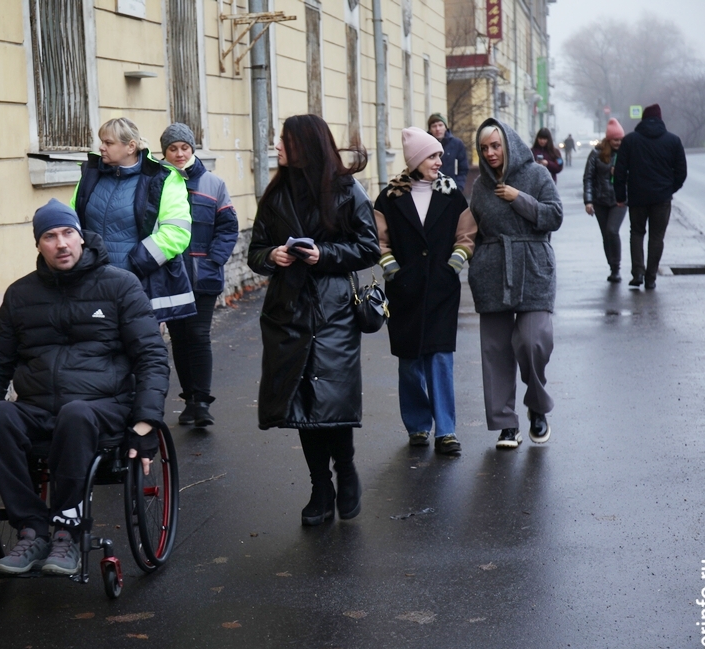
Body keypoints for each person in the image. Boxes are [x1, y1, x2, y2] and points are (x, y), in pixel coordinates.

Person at [0, 200, 169, 576]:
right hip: (38, 407)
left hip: (102, 407)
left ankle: (66, 533)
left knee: (75, 414)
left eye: (67, 233)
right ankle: (32, 529)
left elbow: (152, 359)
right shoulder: (20, 295)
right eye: (50, 236)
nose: (61, 243)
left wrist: (146, 424)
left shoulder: (120, 286)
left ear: (81, 237)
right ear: (38, 245)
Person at [247, 114, 380, 526]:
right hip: (288, 310)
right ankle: (320, 486)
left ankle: (347, 468)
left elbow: (368, 247)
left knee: (330, 398)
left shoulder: (345, 189)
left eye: (284, 140)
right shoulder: (275, 193)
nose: (277, 146)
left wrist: (326, 255)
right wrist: (273, 256)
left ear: (305, 143)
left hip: (334, 309)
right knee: (303, 400)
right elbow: (256, 250)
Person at [374, 128, 478, 455]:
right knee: (409, 361)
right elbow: (379, 239)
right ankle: (418, 425)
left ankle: (446, 431)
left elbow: (466, 235)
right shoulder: (389, 198)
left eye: (438, 155)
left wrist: (454, 266)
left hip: (442, 289)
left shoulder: (452, 195)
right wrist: (393, 270)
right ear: (417, 160)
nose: (439, 160)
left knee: (441, 358)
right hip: (404, 290)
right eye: (432, 155)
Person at [468, 119, 563, 449]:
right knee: (495, 351)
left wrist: (518, 198)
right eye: (484, 148)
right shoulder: (479, 186)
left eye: (496, 146)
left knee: (533, 340)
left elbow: (554, 216)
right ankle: (506, 423)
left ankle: (537, 406)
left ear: (509, 144)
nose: (490, 153)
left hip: (533, 267)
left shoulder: (537, 175)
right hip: (491, 270)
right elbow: (474, 229)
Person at [71, 117, 195, 322]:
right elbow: (73, 221)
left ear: (130, 147)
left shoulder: (163, 178)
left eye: (108, 143)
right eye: (101, 141)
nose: (101, 148)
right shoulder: (91, 174)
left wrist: (136, 263)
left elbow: (177, 232)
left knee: (138, 347)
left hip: (138, 284)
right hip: (91, 281)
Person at [160, 123, 240, 428]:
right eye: (172, 148)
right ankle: (189, 401)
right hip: (171, 275)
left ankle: (203, 402)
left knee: (198, 334)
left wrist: (214, 261)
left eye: (184, 147)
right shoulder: (159, 182)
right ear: (164, 152)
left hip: (203, 275)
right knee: (179, 337)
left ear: (192, 149)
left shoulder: (213, 184)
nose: (179, 154)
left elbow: (228, 227)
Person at [613, 103, 688, 290]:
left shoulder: (630, 141)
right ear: (660, 119)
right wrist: (670, 189)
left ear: (643, 119)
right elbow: (681, 172)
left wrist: (621, 195)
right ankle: (651, 277)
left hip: (637, 197)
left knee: (637, 233)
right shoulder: (673, 141)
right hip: (662, 198)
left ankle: (637, 272)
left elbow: (620, 171)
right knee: (657, 237)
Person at [583, 119, 627, 283]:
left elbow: (635, 175)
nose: (618, 143)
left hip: (619, 200)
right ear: (608, 140)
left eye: (621, 140)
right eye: (616, 140)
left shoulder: (626, 153)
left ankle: (616, 268)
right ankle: (611, 266)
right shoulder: (596, 154)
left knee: (612, 231)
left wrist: (622, 174)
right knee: (606, 236)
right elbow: (588, 178)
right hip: (600, 200)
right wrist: (588, 201)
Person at [427, 113, 469, 192]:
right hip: (430, 190)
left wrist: (459, 186)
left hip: (452, 189)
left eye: (440, 125)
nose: (437, 129)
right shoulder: (425, 145)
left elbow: (463, 168)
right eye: (434, 126)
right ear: (430, 129)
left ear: (445, 127)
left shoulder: (457, 144)